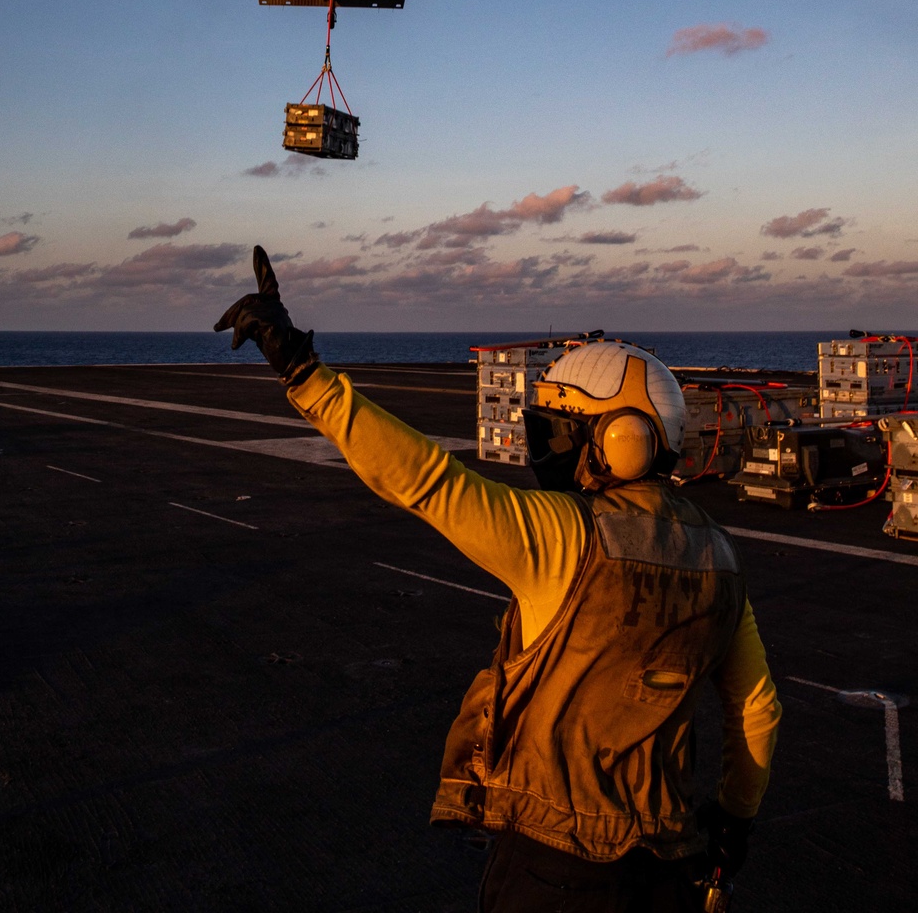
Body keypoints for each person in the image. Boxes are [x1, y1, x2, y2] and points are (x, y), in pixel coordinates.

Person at [215, 249, 781, 912]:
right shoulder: (722, 554)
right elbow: (758, 710)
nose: (550, 448)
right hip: (669, 868)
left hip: (554, 868)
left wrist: (302, 371)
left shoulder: (562, 534)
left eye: (565, 431)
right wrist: (734, 824)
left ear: (621, 441)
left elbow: (423, 477)